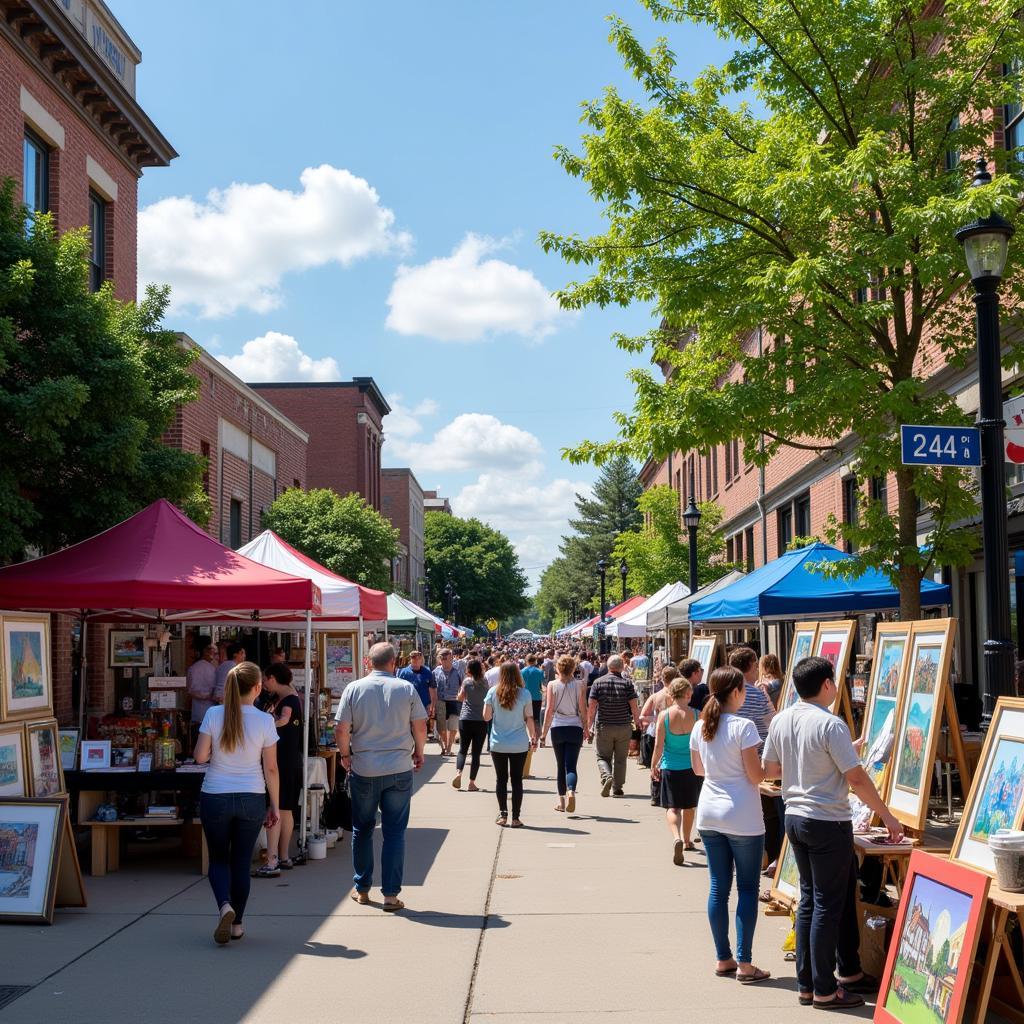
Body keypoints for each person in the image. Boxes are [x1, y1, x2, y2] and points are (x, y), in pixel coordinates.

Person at [763, 656, 903, 1009]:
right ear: (826, 684)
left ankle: (808, 984)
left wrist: (817, 765)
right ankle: (825, 989)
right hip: (826, 820)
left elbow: (771, 768)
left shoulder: (783, 719)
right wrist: (887, 817)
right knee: (826, 904)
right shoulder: (830, 724)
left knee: (811, 900)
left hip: (795, 817)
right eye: (834, 681)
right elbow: (856, 779)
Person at [689, 666, 770, 984]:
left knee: (718, 888)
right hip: (743, 815)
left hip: (709, 812)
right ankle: (745, 963)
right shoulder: (744, 727)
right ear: (735, 692)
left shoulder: (701, 726)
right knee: (748, 888)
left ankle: (723, 958)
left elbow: (698, 769)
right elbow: (756, 776)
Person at [335, 642, 427, 912]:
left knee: (362, 829)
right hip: (398, 767)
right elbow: (420, 726)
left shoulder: (354, 688)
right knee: (394, 833)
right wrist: (418, 752)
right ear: (394, 662)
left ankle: (362, 888)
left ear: (369, 662)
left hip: (364, 767)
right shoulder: (406, 688)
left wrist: (344, 755)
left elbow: (341, 728)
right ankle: (390, 894)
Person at [194, 661, 280, 944]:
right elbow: (271, 769)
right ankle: (238, 924)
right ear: (257, 688)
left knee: (218, 859)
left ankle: (224, 906)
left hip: (215, 794)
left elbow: (200, 757)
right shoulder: (265, 720)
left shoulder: (214, 714)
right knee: (241, 862)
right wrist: (275, 806)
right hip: (251, 795)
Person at [254, 663, 302, 878]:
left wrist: (265, 722)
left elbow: (284, 719)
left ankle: (272, 859)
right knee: (286, 809)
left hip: (281, 761)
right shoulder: (290, 696)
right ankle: (284, 856)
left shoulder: (289, 700)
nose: (264, 684)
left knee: (275, 807)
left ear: (273, 678)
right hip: (290, 760)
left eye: (265, 679)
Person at [651, 676, 700, 864]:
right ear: (688, 694)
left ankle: (676, 837)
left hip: (670, 767)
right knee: (689, 806)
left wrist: (653, 765)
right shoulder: (697, 715)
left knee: (673, 807)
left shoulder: (664, 716)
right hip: (691, 767)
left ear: (671, 694)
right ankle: (687, 840)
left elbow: (658, 745)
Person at [483, 662, 537, 827]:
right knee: (516, 780)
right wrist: (533, 737)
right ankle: (516, 817)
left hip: (498, 742)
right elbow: (529, 718)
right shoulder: (525, 694)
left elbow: (486, 717)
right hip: (519, 743)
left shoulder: (493, 692)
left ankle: (503, 814)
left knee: (501, 779)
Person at [588, 654, 642, 798]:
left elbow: (592, 706)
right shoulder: (627, 684)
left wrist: (589, 726)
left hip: (604, 725)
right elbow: (634, 706)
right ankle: (618, 788)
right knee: (620, 758)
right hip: (624, 726)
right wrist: (637, 721)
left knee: (602, 756)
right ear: (622, 667)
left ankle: (607, 776)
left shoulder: (598, 683)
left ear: (608, 666)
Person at [540, 654, 588, 813]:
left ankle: (561, 801)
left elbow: (549, 710)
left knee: (560, 766)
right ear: (573, 668)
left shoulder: (552, 685)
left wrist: (543, 733)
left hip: (557, 728)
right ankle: (571, 790)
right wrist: (586, 728)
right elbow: (583, 709)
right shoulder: (580, 685)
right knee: (571, 766)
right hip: (575, 727)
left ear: (557, 668)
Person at [640, 666, 680, 804]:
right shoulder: (677, 696)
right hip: (676, 732)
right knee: (671, 762)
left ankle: (655, 795)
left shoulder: (655, 696)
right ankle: (671, 794)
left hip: (657, 732)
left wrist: (656, 719)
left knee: (656, 761)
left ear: (662, 679)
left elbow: (642, 716)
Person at [453, 658, 488, 791]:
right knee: (476, 753)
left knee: (463, 749)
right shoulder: (485, 683)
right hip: (480, 720)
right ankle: (471, 783)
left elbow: (460, 698)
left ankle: (458, 773)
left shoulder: (467, 682)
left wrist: (459, 694)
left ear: (469, 670)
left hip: (465, 718)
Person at [432, 649, 463, 757]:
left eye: (447, 658)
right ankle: (444, 746)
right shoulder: (435, 671)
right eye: (442, 658)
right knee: (441, 727)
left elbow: (462, 685)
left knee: (453, 726)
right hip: (440, 701)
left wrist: (461, 698)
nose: (444, 660)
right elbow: (432, 688)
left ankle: (449, 748)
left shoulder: (458, 671)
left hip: (454, 700)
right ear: (440, 659)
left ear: (451, 658)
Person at [398, 651, 436, 735]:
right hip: (407, 706)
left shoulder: (428, 673)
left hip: (423, 706)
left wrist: (432, 706)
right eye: (413, 658)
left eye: (418, 658)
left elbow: (433, 689)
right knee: (408, 730)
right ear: (410, 659)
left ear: (421, 659)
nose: (416, 660)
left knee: (420, 731)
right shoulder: (402, 673)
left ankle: (419, 746)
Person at [187, 640, 217, 730]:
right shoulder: (213, 669)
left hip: (198, 715)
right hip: (210, 715)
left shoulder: (193, 668)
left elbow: (190, 690)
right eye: (211, 649)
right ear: (205, 651)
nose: (213, 653)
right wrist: (210, 696)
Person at [521, 655, 545, 745]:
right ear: (535, 661)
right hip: (536, 697)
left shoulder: (522, 671)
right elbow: (542, 682)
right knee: (536, 719)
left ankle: (525, 737)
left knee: (524, 718)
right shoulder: (539, 671)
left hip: (524, 697)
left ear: (526, 661)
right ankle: (536, 738)